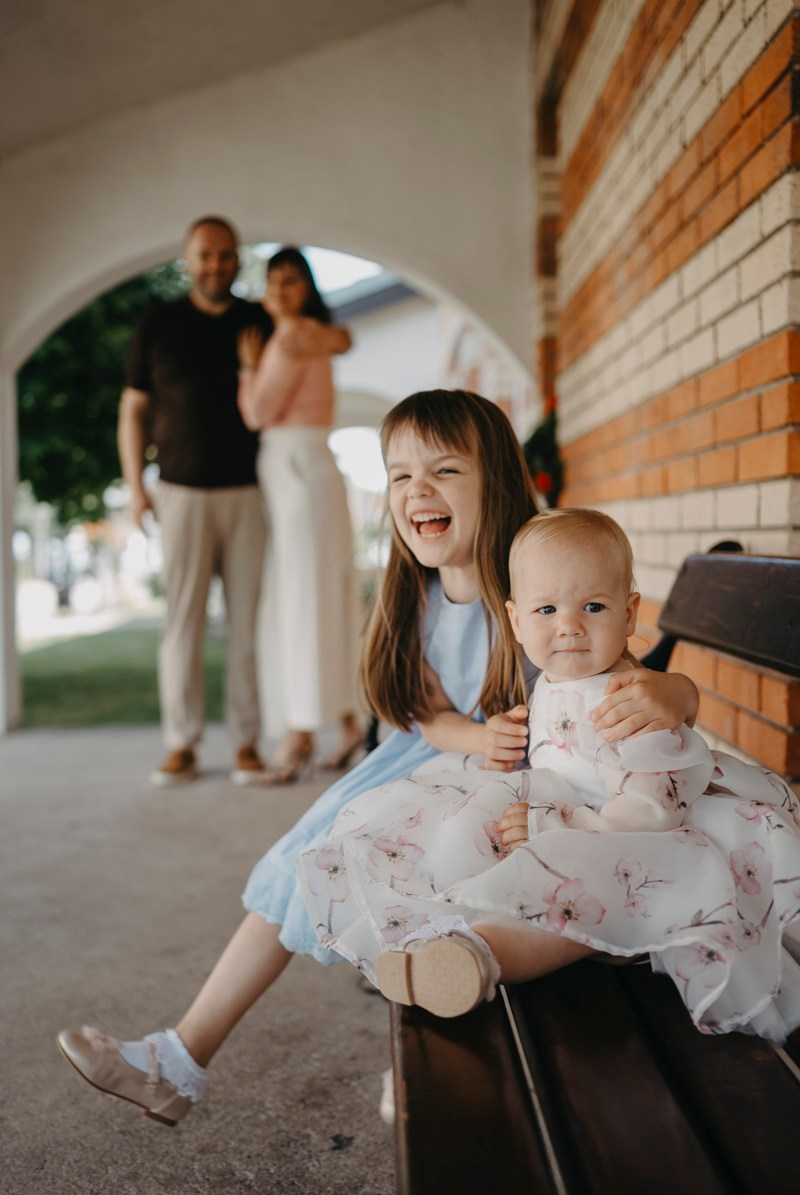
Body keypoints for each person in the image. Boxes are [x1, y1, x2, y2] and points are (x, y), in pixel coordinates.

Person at [57, 392, 698, 1124]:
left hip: (511, 786)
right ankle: (180, 1057)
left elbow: (624, 672)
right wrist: (472, 737)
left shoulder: (538, 584)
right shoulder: (417, 593)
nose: (418, 489)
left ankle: (426, 1066)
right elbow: (424, 710)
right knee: (303, 861)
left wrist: (677, 693)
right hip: (431, 759)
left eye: (445, 470)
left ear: (495, 481)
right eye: (400, 476)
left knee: (427, 881)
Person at [301, 508, 800, 1040]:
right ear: (517, 621)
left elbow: (655, 809)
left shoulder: (629, 702)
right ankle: (437, 945)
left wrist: (560, 826)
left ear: (629, 614)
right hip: (573, 821)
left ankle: (477, 959)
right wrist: (510, 744)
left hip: (641, 844)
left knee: (565, 913)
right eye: (546, 609)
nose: (569, 626)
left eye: (593, 607)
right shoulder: (554, 678)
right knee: (467, 837)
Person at [118, 217, 350, 786]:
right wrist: (134, 486)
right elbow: (133, 408)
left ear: (235, 260)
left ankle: (247, 742)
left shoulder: (256, 317)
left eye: (224, 255)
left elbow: (325, 333)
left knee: (249, 621)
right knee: (183, 622)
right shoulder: (159, 322)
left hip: (250, 491)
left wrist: (333, 339)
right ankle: (181, 744)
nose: (215, 265)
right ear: (188, 259)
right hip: (179, 490)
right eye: (205, 255)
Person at [237, 247, 361, 781]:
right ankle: (347, 720)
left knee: (303, 598)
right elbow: (344, 338)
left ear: (306, 287)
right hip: (304, 469)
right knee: (319, 592)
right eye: (273, 279)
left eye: (291, 279)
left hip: (295, 467)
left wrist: (247, 368)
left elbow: (257, 411)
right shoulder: (313, 334)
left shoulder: (291, 336)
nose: (280, 289)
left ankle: (302, 732)